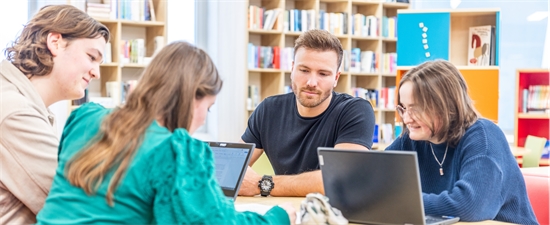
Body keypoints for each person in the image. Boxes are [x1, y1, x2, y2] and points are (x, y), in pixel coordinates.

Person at [36, 41, 296, 224]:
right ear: (192, 98)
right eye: (209, 107)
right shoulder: (176, 150)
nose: (205, 118)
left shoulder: (84, 118)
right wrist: (279, 217)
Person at [386, 60, 538, 224]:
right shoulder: (412, 139)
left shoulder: (483, 136)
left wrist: (403, 201)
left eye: (415, 108)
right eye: (403, 108)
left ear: (445, 105)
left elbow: (469, 206)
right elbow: (370, 179)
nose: (407, 118)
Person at [0, 5, 109, 224]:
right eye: (91, 57)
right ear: (55, 42)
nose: (97, 73)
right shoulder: (15, 111)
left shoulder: (29, 106)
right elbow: (73, 205)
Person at [239, 29, 376, 197]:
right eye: (304, 70)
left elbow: (342, 179)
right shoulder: (268, 110)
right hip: (286, 212)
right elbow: (233, 169)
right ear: (292, 69)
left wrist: (263, 184)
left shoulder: (355, 111)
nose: (311, 82)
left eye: (323, 74)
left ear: (336, 78)